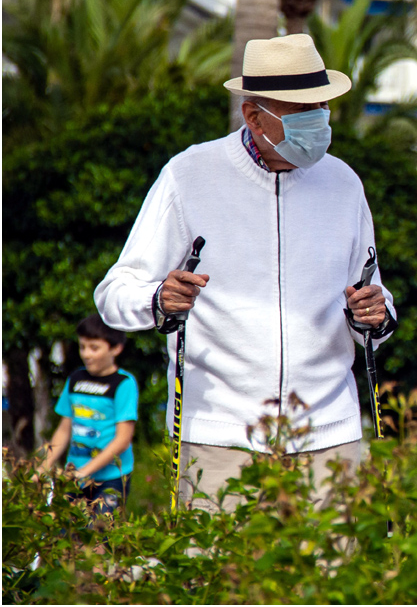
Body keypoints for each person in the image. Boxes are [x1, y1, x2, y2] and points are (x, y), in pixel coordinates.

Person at [95, 33, 397, 513]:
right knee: (220, 586)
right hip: (219, 437)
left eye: (321, 107)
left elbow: (372, 300)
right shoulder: (189, 175)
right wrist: (158, 299)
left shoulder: (343, 182)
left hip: (330, 436)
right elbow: (114, 294)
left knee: (332, 587)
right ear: (253, 116)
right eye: (301, 112)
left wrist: (376, 314)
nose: (318, 121)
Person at [38, 315, 138, 516]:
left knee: (100, 538)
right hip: (73, 476)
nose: (86, 354)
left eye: (94, 348)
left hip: (110, 477)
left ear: (115, 348)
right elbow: (64, 429)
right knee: (64, 536)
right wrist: (43, 467)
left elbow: (123, 439)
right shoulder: (76, 379)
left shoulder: (123, 383)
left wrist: (85, 471)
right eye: (82, 347)